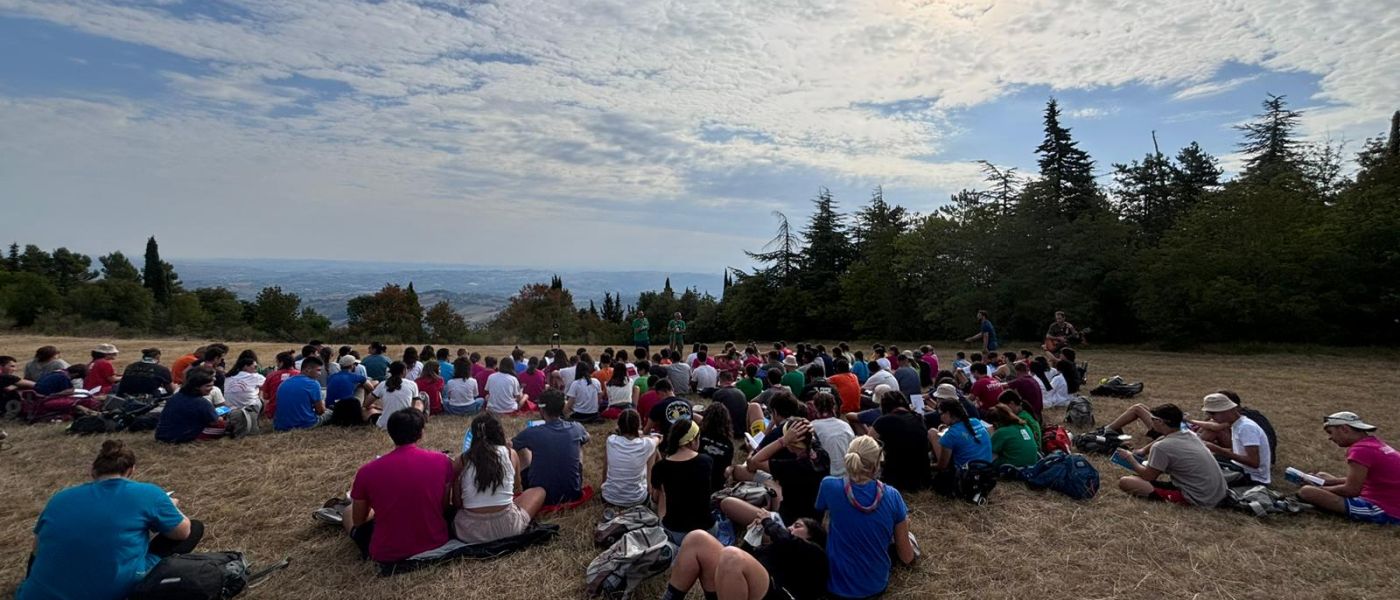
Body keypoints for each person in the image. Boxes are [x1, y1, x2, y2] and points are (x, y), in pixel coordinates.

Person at [18, 440, 202, 600]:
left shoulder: (60, 498)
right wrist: (171, 506)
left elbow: (36, 549)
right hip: (111, 592)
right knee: (194, 528)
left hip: (35, 595)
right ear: (131, 470)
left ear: (93, 471)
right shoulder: (148, 493)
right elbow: (183, 531)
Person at [342, 409, 457, 564]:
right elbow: (443, 507)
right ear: (421, 433)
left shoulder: (366, 472)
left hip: (388, 551)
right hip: (436, 541)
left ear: (390, 433)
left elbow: (358, 521)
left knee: (348, 511)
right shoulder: (443, 461)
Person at [815, 435, 917, 600]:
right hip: (875, 586)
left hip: (836, 587)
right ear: (876, 465)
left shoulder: (829, 485)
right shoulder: (892, 495)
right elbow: (906, 556)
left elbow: (821, 512)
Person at [663, 509, 828, 600]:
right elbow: (736, 565)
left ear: (811, 538)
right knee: (697, 538)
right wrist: (752, 536)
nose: (790, 528)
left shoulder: (815, 555)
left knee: (732, 556)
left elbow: (788, 541)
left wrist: (767, 520)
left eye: (797, 526)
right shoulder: (775, 548)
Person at [452, 413, 547, 544]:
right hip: (508, 528)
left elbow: (457, 503)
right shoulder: (510, 454)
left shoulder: (462, 460)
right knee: (539, 491)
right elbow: (517, 490)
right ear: (499, 432)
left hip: (468, 531)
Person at [1113, 404, 1229, 507]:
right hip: (1217, 492)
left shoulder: (1162, 447)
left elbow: (1148, 477)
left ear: (1160, 422)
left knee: (1126, 482)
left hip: (1199, 497)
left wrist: (1130, 458)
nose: (1151, 422)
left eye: (1153, 419)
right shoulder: (1190, 435)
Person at [1298, 412, 1400, 525]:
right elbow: (1365, 480)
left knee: (1307, 491)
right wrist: (1328, 482)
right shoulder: (1374, 444)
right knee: (1322, 476)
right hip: (1392, 500)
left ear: (1344, 429)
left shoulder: (1360, 450)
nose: (1330, 438)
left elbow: (1351, 490)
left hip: (1386, 510)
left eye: (1330, 432)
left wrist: (1321, 489)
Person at [740, 414, 829, 525]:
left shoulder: (792, 467)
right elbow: (811, 441)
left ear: (789, 444)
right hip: (813, 523)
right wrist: (805, 426)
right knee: (771, 485)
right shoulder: (823, 457)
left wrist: (783, 440)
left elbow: (755, 461)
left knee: (727, 503)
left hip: (788, 524)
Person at [512, 389, 590, 504]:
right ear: (562, 408)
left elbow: (511, 446)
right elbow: (587, 437)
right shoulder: (576, 428)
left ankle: (519, 486)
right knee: (579, 446)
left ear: (542, 410)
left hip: (538, 495)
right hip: (572, 493)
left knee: (521, 449)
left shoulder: (531, 433)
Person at [651, 418, 717, 544]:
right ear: (692, 441)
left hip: (676, 532)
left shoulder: (661, 467)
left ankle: (661, 524)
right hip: (707, 531)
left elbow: (654, 497)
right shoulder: (706, 461)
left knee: (660, 491)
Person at [1198, 393, 1272, 485]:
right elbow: (1239, 452)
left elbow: (1254, 462)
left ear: (1227, 410)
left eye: (1213, 413)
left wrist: (1217, 449)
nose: (1210, 417)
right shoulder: (1237, 424)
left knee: (1200, 473)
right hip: (1240, 468)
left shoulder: (1246, 427)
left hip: (1252, 477)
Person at [870, 391, 931, 491]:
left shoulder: (883, 421)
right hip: (922, 478)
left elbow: (867, 444)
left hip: (896, 480)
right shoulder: (918, 418)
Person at [930, 398, 993, 494]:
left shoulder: (951, 435)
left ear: (948, 413)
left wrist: (929, 466)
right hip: (987, 474)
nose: (940, 418)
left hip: (967, 479)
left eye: (941, 414)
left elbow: (942, 466)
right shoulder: (976, 422)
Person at [601, 409, 658, 507]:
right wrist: (642, 434)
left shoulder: (611, 441)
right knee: (653, 450)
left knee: (651, 449)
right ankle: (650, 487)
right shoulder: (647, 444)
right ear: (639, 425)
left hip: (608, 497)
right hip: (637, 499)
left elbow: (605, 467)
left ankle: (607, 485)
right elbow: (657, 438)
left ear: (619, 426)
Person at [154, 368, 226, 443]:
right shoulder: (202, 403)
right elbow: (214, 422)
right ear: (196, 387)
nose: (211, 388)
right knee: (221, 425)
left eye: (212, 386)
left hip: (161, 435)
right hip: (179, 437)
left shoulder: (176, 396)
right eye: (208, 386)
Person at [273, 357, 331, 431]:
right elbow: (320, 411)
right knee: (330, 413)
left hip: (280, 426)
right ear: (308, 369)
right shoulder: (313, 384)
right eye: (318, 370)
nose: (320, 374)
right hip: (304, 425)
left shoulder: (284, 383)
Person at [810, 392, 856, 477]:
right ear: (834, 407)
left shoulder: (812, 427)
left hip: (826, 474)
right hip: (848, 474)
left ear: (815, 407)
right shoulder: (845, 425)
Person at [369, 361, 421, 429]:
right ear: (404, 371)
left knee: (367, 410)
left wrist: (375, 406)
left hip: (384, 425)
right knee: (421, 400)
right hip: (405, 423)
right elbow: (412, 408)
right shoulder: (412, 384)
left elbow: (366, 403)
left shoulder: (383, 384)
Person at [327, 355, 377, 424]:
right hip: (348, 406)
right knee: (362, 386)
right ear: (352, 365)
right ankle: (366, 405)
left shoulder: (331, 377)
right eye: (355, 364)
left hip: (332, 407)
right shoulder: (356, 377)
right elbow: (371, 388)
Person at [697, 405, 736, 490]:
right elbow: (725, 471)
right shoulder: (729, 445)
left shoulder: (698, 438)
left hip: (697, 482)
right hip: (716, 486)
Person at [260, 351, 300, 418]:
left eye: (277, 362)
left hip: (274, 413)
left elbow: (265, 396)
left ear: (281, 363)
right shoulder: (300, 375)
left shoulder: (271, 376)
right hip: (296, 412)